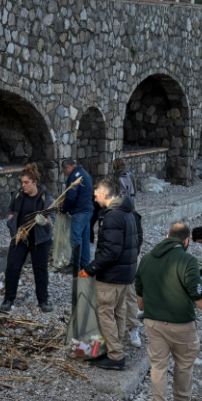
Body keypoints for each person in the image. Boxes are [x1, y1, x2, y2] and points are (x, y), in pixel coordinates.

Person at [135, 223, 202, 401]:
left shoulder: (147, 259)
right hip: (181, 324)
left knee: (158, 366)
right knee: (183, 363)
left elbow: (139, 293)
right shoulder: (187, 260)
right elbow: (197, 293)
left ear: (167, 236)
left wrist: (145, 311)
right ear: (186, 241)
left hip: (153, 322)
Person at [79, 180, 139, 370]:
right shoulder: (128, 213)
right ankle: (116, 348)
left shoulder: (112, 217)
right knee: (118, 312)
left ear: (104, 194)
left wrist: (90, 269)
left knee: (105, 313)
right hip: (126, 273)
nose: (95, 198)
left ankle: (115, 355)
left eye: (96, 195)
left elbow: (111, 251)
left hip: (112, 276)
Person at [0, 163, 55, 313]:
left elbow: (53, 219)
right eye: (22, 182)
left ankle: (43, 300)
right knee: (12, 267)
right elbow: (10, 209)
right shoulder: (18, 195)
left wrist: (45, 221)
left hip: (40, 240)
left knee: (40, 269)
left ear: (34, 183)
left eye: (26, 183)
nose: (23, 185)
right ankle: (8, 300)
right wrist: (11, 221)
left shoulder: (46, 197)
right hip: (21, 237)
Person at [111, 158, 143, 347]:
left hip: (122, 261)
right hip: (128, 260)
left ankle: (126, 328)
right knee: (128, 293)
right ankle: (130, 329)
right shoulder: (133, 215)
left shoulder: (115, 216)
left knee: (121, 293)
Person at [60, 159, 94, 269]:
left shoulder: (75, 176)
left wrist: (64, 209)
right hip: (88, 210)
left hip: (79, 211)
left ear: (68, 168)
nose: (66, 173)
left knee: (76, 239)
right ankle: (85, 263)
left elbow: (70, 196)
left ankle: (74, 265)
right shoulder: (86, 174)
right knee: (85, 238)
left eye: (65, 171)